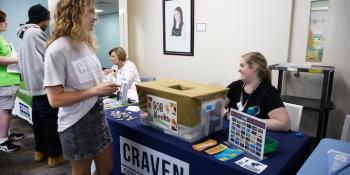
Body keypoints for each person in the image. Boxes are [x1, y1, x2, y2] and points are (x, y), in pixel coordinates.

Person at [44, 0, 119, 174]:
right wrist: (96, 90)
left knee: (107, 168)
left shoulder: (85, 44)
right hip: (77, 123)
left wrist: (102, 83)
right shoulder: (57, 50)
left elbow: (85, 79)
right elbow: (55, 99)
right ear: (74, 13)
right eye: (91, 11)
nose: (95, 17)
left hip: (98, 117)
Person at [17, 4, 64, 167]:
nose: (48, 23)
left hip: (33, 87)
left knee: (38, 122)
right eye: (47, 18)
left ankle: (40, 151)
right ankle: (55, 155)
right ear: (42, 18)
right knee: (50, 123)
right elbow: (49, 57)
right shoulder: (36, 33)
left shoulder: (24, 33)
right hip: (44, 87)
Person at [226, 52, 290, 131]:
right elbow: (218, 105)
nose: (239, 70)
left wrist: (247, 122)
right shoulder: (236, 85)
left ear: (253, 67)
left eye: (242, 66)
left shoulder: (269, 92)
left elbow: (284, 124)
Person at [0, 9, 24, 153]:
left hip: (8, 81)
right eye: (3, 20)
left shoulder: (1, 38)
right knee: (5, 111)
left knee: (5, 110)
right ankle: (3, 140)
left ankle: (6, 134)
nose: (6, 22)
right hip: (5, 82)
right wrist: (18, 59)